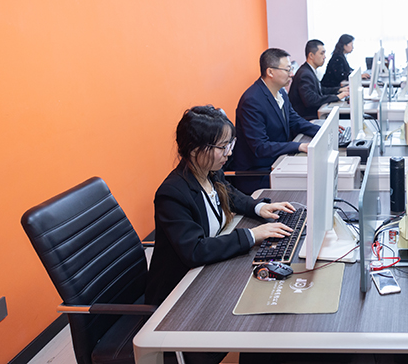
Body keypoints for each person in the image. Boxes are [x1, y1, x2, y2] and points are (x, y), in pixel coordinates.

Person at [145, 106, 295, 307]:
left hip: (208, 272)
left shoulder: (210, 171)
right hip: (179, 292)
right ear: (194, 149)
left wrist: (258, 207)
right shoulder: (172, 194)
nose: (229, 153)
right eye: (223, 147)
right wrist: (252, 235)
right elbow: (195, 250)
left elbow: (230, 194)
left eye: (230, 144)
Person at [233, 48, 320, 194]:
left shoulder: (280, 92)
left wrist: (321, 131)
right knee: (311, 183)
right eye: (287, 70)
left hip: (278, 162)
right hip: (259, 173)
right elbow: (260, 147)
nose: (292, 74)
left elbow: (294, 120)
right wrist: (298, 146)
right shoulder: (252, 101)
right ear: (270, 72)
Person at [289, 39, 349, 120]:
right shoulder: (305, 74)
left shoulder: (309, 70)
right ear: (311, 55)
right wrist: (337, 97)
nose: (324, 57)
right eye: (321, 53)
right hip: (307, 118)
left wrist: (339, 90)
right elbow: (311, 100)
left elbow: (320, 90)